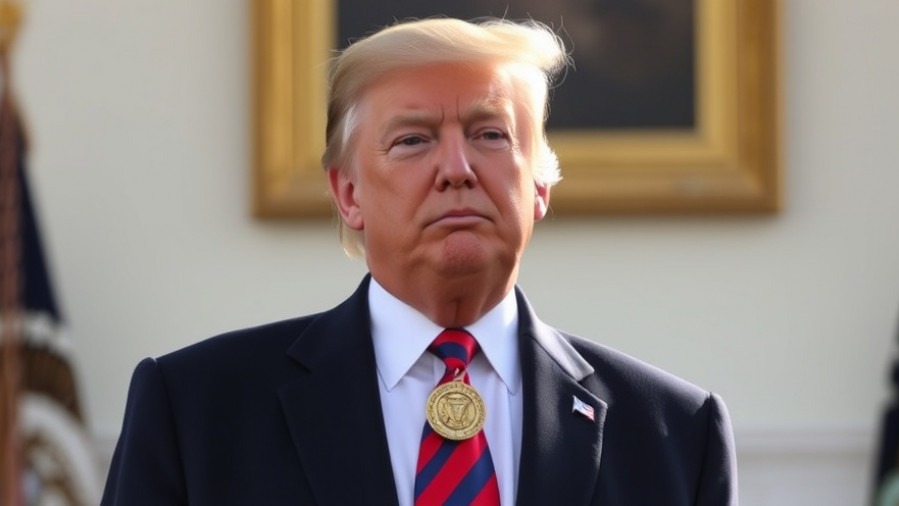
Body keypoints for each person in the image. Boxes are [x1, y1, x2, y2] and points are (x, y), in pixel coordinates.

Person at [101, 17, 737, 506]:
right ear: (348, 193)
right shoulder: (196, 409)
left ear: (540, 185)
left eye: (491, 135)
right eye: (413, 141)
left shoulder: (676, 433)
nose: (456, 170)